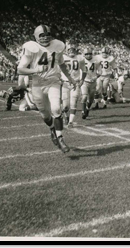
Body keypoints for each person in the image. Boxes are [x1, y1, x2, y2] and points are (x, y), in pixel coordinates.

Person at [17, 25, 77, 153]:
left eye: (47, 34)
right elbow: (20, 69)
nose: (45, 38)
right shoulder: (31, 48)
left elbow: (61, 64)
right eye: (41, 35)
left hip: (53, 81)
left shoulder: (57, 46)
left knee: (56, 108)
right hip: (37, 84)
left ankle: (60, 137)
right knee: (45, 114)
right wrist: (35, 69)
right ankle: (52, 129)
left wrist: (70, 78)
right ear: (35, 36)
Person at [61, 47, 84, 127]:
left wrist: (82, 80)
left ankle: (70, 122)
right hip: (65, 83)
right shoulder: (62, 57)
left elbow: (84, 70)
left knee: (73, 102)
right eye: (69, 50)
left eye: (73, 50)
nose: (71, 51)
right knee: (65, 105)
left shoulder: (80, 58)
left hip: (75, 83)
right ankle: (65, 116)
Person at [80, 47, 102, 119]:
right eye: (86, 54)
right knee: (84, 96)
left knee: (91, 99)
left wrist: (96, 77)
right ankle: (83, 111)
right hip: (84, 81)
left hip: (93, 82)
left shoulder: (96, 60)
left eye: (90, 54)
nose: (88, 55)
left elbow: (100, 71)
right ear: (84, 54)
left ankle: (87, 108)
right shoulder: (81, 60)